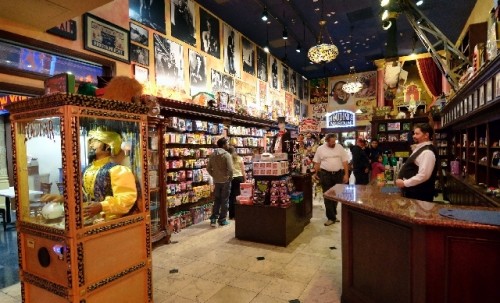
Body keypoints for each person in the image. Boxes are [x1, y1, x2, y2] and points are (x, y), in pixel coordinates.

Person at [41, 130, 138, 222]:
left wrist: (102, 206)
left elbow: (127, 198)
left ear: (108, 146)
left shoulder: (118, 170)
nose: (91, 145)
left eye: (95, 141)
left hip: (111, 221)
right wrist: (64, 198)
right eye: (90, 141)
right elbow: (84, 195)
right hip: (88, 218)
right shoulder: (88, 169)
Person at [313, 133, 349, 225]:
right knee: (328, 196)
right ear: (326, 141)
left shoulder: (339, 147)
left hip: (338, 174)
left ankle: (333, 214)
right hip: (325, 174)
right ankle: (331, 217)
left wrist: (346, 174)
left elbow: (345, 162)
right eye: (331, 142)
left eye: (335, 142)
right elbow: (317, 162)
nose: (333, 144)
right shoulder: (320, 149)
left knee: (336, 195)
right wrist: (315, 173)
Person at [395, 123, 438, 202]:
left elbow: (424, 175)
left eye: (417, 134)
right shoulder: (420, 148)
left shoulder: (427, 152)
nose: (414, 136)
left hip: (420, 195)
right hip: (413, 192)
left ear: (426, 135)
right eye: (414, 133)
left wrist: (405, 183)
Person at [207, 137, 233, 227]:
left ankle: (213, 219)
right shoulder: (227, 155)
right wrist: (230, 177)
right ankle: (222, 220)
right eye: (227, 143)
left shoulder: (212, 155)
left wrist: (214, 175)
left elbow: (208, 168)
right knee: (225, 201)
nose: (228, 145)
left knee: (217, 200)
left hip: (217, 181)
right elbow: (230, 169)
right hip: (225, 181)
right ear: (223, 145)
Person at [227, 146, 246, 219]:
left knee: (231, 196)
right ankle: (236, 215)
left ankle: (231, 215)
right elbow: (243, 170)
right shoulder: (240, 158)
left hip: (230, 178)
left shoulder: (227, 159)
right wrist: (245, 179)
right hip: (239, 178)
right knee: (238, 196)